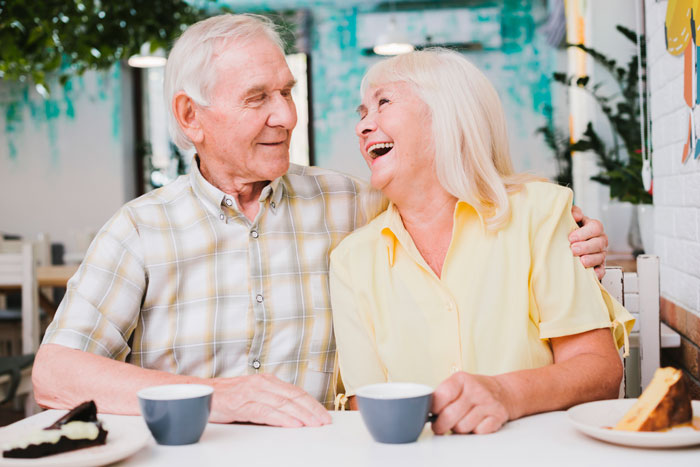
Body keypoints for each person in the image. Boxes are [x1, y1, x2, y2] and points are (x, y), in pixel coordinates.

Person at [32, 15, 608, 428]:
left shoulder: (349, 204)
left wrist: (561, 218)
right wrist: (219, 397)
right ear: (191, 116)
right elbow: (55, 374)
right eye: (258, 98)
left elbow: (447, 184)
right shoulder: (141, 230)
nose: (285, 115)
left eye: (287, 91)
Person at [329, 48, 634, 435]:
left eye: (383, 103)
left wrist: (505, 394)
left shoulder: (540, 213)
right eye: (361, 114)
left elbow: (598, 370)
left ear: (447, 115)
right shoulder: (352, 260)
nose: (362, 126)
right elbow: (365, 405)